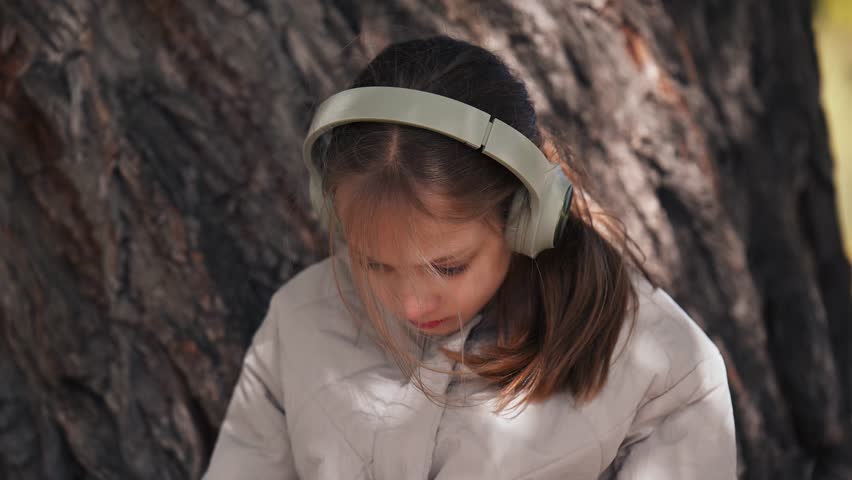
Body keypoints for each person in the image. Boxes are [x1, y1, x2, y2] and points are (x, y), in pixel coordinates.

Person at [203, 34, 737, 479]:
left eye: (449, 266)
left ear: (524, 217)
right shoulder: (298, 323)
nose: (411, 302)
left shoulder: (657, 366)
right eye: (374, 264)